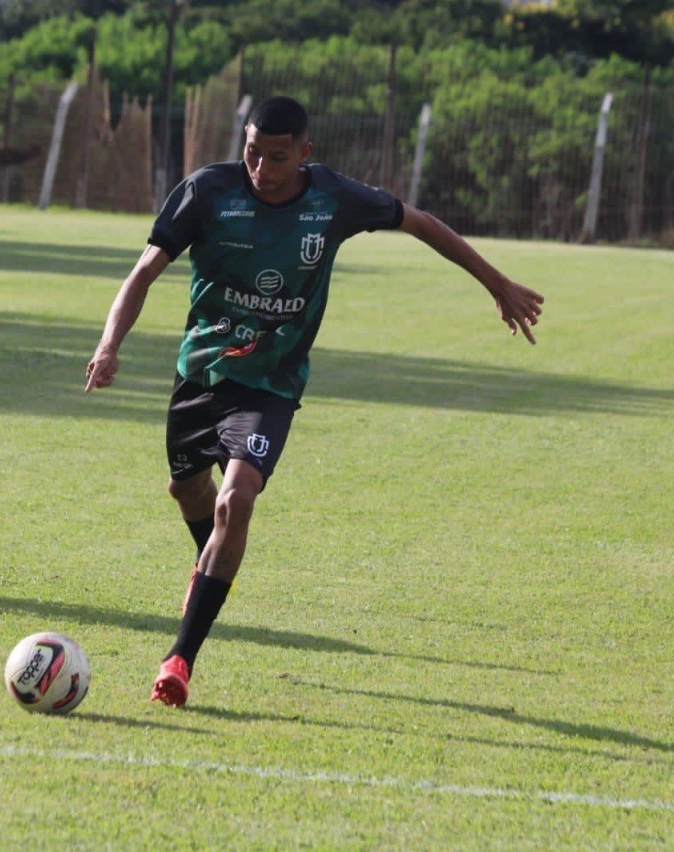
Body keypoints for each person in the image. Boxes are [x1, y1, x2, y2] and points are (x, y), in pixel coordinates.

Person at [84, 96, 543, 708]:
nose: (261, 168)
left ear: (305, 154)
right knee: (188, 492)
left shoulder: (334, 200)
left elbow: (420, 221)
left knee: (235, 499)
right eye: (252, 152)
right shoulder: (206, 192)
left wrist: (498, 283)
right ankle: (214, 569)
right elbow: (143, 272)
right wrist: (110, 344)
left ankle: (180, 658)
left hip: (272, 384)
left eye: (277, 157)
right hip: (200, 375)